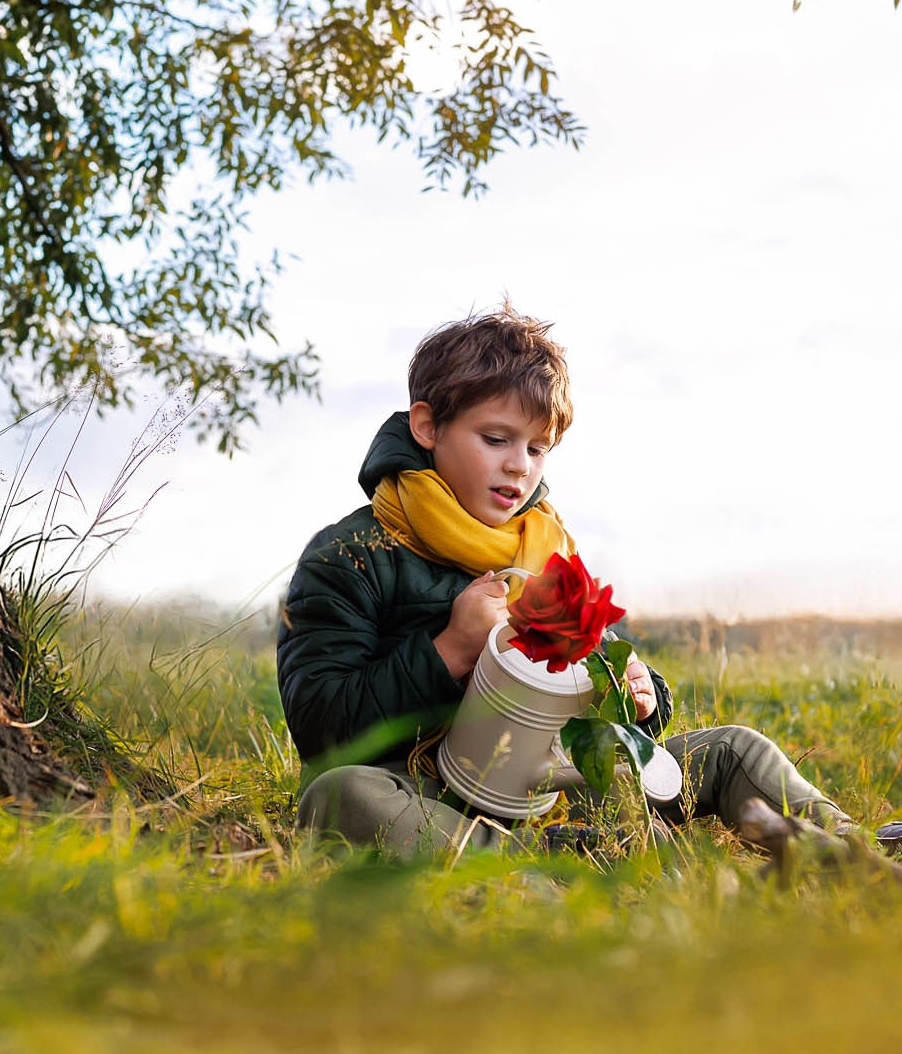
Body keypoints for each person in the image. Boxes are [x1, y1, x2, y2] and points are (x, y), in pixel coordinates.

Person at [277, 303, 858, 856]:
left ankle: (855, 847)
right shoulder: (352, 553)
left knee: (734, 748)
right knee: (341, 796)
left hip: (545, 783)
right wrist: (449, 651)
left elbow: (601, 670)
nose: (519, 465)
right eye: (496, 439)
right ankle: (546, 860)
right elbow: (322, 728)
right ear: (428, 427)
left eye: (537, 448)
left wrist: (639, 697)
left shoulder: (545, 550)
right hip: (427, 795)